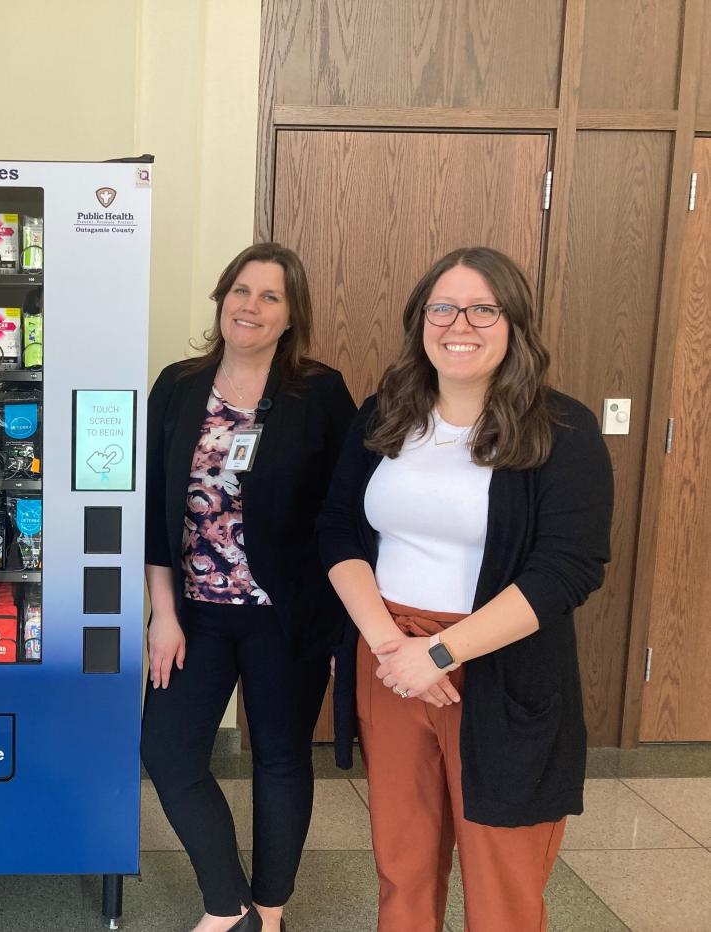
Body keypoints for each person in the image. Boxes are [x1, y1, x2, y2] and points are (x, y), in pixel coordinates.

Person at [318, 247, 613, 931]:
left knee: (502, 880)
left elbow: (567, 568)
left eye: (485, 308)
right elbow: (337, 531)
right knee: (403, 866)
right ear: (422, 319)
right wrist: (392, 646)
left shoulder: (561, 430)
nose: (461, 324)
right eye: (443, 307)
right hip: (388, 659)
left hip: (500, 669)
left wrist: (440, 654)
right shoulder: (384, 414)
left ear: (515, 324)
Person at [141, 242, 357, 932]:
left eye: (270, 296)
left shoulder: (319, 393)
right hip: (196, 615)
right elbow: (155, 508)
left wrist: (339, 622)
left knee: (281, 757)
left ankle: (269, 908)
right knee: (167, 752)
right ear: (221, 298)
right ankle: (226, 900)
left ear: (292, 316)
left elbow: (344, 511)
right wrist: (162, 615)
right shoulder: (178, 385)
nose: (251, 306)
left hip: (284, 616)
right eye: (241, 290)